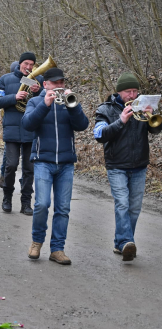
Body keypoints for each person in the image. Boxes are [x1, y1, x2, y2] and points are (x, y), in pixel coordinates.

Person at [22, 68, 89, 265]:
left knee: (63, 208)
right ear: (45, 84)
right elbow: (28, 124)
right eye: (55, 82)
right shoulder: (35, 101)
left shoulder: (70, 102)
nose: (59, 86)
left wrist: (73, 105)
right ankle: (36, 242)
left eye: (62, 82)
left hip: (66, 164)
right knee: (41, 204)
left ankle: (57, 249)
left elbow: (82, 125)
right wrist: (45, 104)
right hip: (43, 161)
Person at [93, 72, 161, 261]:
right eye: (128, 92)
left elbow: (155, 130)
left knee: (134, 207)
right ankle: (126, 243)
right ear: (119, 92)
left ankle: (121, 243)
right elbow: (99, 135)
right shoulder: (105, 109)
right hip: (116, 165)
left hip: (139, 165)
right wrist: (121, 121)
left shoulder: (140, 107)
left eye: (135, 91)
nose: (132, 95)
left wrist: (151, 115)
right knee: (122, 203)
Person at [0, 52, 43, 215]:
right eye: (26, 63)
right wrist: (14, 97)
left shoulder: (37, 80)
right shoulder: (6, 79)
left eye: (31, 64)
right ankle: (7, 198)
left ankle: (26, 202)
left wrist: (37, 92)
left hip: (31, 130)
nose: (28, 67)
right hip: (12, 130)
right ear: (20, 63)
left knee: (29, 169)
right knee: (11, 165)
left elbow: (44, 105)